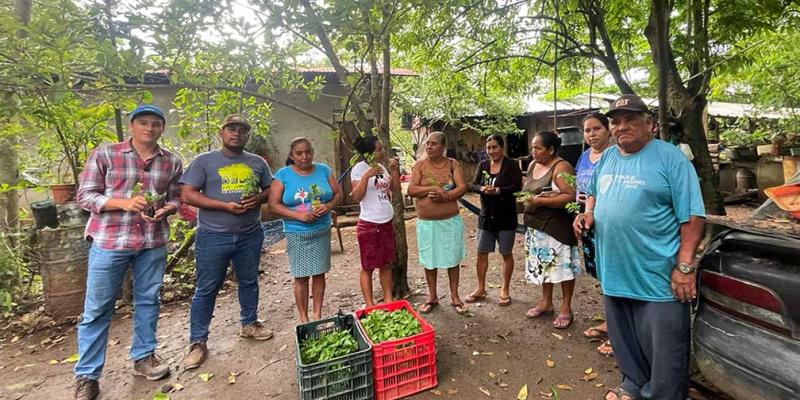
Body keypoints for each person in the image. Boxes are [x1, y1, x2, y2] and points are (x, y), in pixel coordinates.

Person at [574, 94, 705, 400]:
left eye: (631, 120)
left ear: (650, 124)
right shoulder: (608, 157)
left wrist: (685, 267)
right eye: (616, 121)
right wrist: (588, 214)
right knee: (625, 339)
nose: (622, 127)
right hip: (615, 270)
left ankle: (663, 394)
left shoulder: (671, 158)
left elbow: (692, 217)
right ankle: (633, 386)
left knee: (665, 349)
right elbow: (593, 194)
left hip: (657, 274)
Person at [74, 105, 183, 400]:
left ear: (162, 128)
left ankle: (144, 357)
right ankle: (87, 375)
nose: (150, 128)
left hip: (152, 241)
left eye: (156, 123)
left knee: (148, 300)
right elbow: (85, 196)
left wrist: (165, 209)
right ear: (132, 125)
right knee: (98, 308)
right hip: (110, 241)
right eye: (143, 122)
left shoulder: (171, 161)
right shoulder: (106, 154)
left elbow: (176, 198)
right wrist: (123, 203)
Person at [179, 114, 274, 371]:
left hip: (250, 233)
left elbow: (270, 189)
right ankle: (198, 342)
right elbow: (187, 194)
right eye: (231, 128)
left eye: (242, 130)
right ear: (221, 133)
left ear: (247, 135)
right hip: (213, 234)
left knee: (249, 280)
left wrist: (259, 198)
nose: (236, 133)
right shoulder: (204, 161)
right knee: (206, 288)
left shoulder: (258, 163)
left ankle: (249, 323)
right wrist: (223, 206)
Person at [269, 137, 342, 323]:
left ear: (312, 152)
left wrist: (328, 206)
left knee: (319, 273)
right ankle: (304, 319)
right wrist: (298, 216)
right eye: (299, 153)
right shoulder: (282, 175)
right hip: (297, 233)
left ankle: (317, 315)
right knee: (301, 276)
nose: (304, 156)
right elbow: (273, 205)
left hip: (321, 230)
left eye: (308, 152)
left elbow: (338, 194)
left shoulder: (324, 170)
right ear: (291, 155)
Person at [521, 131, 580, 329]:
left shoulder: (562, 167)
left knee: (563, 268)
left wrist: (540, 201)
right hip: (536, 226)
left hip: (556, 228)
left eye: (538, 148)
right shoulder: (533, 165)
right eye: (533, 147)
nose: (533, 151)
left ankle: (566, 307)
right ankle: (546, 302)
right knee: (543, 266)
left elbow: (571, 196)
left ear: (551, 149)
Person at [407, 132, 469, 314]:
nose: (429, 147)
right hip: (427, 223)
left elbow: (462, 187)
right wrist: (433, 188)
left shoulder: (452, 164)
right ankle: (432, 296)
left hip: (450, 222)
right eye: (427, 143)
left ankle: (455, 296)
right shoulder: (420, 165)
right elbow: (411, 189)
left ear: (443, 147)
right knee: (429, 259)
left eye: (433, 144)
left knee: (453, 258)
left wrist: (446, 196)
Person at [465, 134, 522, 306]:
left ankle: (505, 289)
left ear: (502, 148)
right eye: (488, 148)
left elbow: (517, 187)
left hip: (506, 217)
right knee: (481, 253)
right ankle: (480, 288)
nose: (491, 151)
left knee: (506, 253)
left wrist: (498, 190)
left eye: (495, 147)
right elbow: (472, 185)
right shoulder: (483, 165)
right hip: (486, 217)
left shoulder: (511, 165)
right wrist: (482, 188)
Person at [576, 112, 615, 357]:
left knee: (615, 275)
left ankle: (617, 332)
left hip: (611, 224)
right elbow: (580, 185)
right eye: (587, 130)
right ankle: (610, 322)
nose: (591, 134)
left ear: (608, 129)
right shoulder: (584, 156)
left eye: (596, 129)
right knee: (601, 275)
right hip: (589, 221)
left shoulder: (615, 156)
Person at [350, 135, 400, 307]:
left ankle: (388, 299)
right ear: (369, 153)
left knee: (386, 264)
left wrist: (394, 171)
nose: (382, 151)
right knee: (368, 266)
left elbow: (394, 190)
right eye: (379, 149)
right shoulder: (358, 169)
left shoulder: (381, 168)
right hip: (369, 224)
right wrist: (366, 177)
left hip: (386, 222)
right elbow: (356, 197)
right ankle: (370, 304)